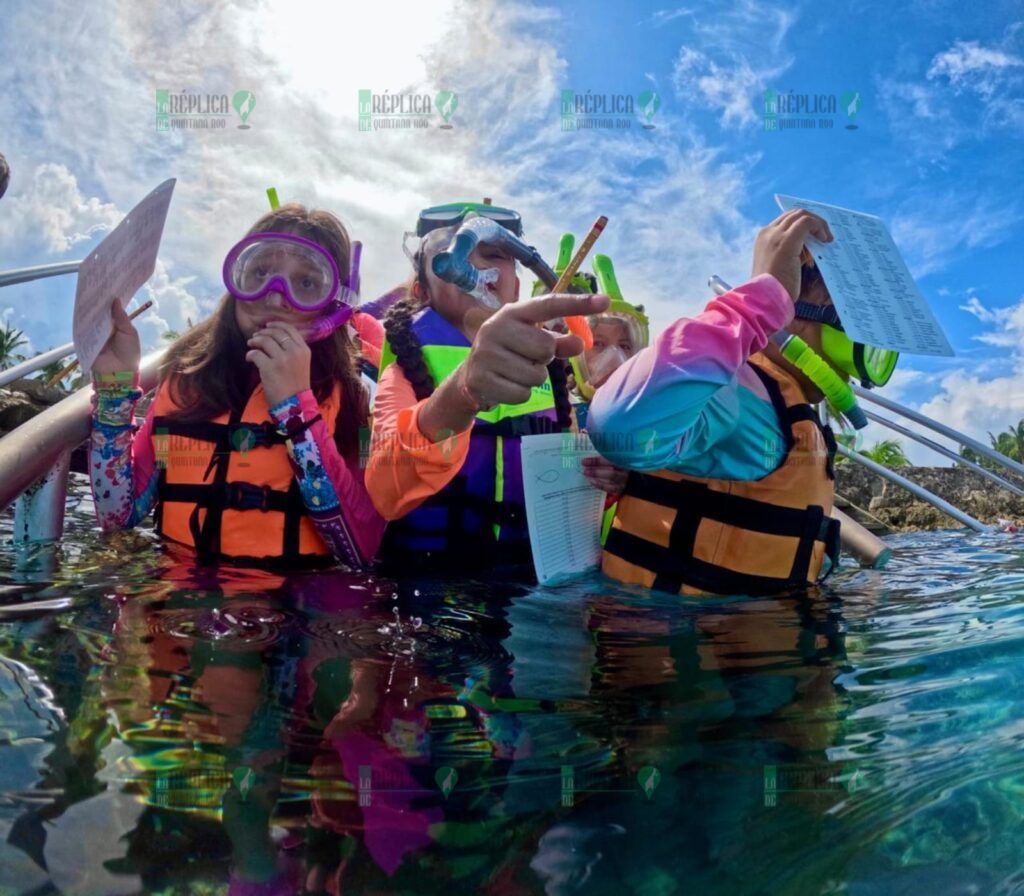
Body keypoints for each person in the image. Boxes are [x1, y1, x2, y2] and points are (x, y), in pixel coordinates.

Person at [88, 203, 384, 569]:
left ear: (332, 307)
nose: (275, 297)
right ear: (237, 280)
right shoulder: (186, 381)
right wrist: (115, 391)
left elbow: (361, 549)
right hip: (178, 607)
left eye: (306, 283)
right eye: (260, 272)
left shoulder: (353, 397)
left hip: (291, 613)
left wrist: (297, 412)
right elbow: (117, 519)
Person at [587, 208, 853, 596]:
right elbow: (618, 425)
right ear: (791, 317)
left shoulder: (798, 414)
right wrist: (759, 302)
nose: (860, 372)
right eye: (849, 337)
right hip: (676, 644)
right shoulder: (738, 392)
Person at [365, 201, 609, 571]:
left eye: (496, 255)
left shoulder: (552, 374)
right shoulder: (403, 374)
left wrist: (607, 481)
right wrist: (462, 392)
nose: (478, 266)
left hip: (527, 589)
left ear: (516, 287)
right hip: (429, 589)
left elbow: (568, 491)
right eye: (455, 257)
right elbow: (385, 489)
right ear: (422, 292)